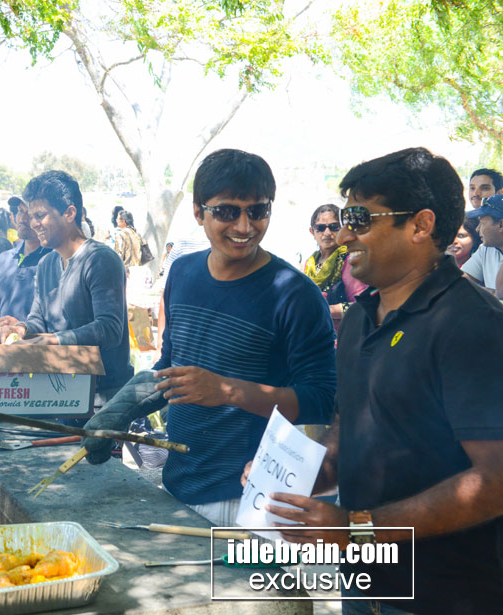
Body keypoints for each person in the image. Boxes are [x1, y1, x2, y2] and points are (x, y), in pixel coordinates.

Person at [260, 147, 503, 614]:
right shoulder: (359, 318)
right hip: (362, 589)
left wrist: (358, 527)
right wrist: (294, 479)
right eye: (344, 219)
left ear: (420, 225)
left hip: (446, 598)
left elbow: (500, 480)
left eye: (359, 218)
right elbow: (348, 431)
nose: (344, 234)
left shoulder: (472, 323)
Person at [80, 149, 336, 527]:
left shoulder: (296, 294)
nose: (245, 226)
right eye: (228, 211)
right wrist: (120, 411)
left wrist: (228, 391)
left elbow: (321, 402)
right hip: (177, 484)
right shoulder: (182, 272)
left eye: (258, 211)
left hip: (249, 500)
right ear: (198, 212)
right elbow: (171, 366)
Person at [0, 170, 133, 399]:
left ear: (69, 213)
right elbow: (38, 320)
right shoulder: (46, 264)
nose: (33, 223)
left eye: (40, 215)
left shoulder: (101, 260)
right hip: (60, 393)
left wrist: (53, 340)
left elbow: (110, 329)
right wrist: (22, 329)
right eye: (31, 216)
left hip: (104, 396)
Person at [303, 204, 368, 328]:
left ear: (342, 229)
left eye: (334, 227)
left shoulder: (349, 260)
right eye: (320, 228)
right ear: (312, 232)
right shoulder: (310, 264)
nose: (327, 233)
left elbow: (362, 305)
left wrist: (327, 310)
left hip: (343, 334)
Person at [0, 196, 52, 322]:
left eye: (29, 214)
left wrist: (23, 328)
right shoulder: (3, 259)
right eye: (20, 211)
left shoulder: (54, 262)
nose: (22, 219)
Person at [461, 193, 503, 291]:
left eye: (482, 223)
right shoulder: (485, 249)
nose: (477, 229)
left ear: (501, 224)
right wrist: (492, 295)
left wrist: (487, 295)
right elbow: (461, 282)